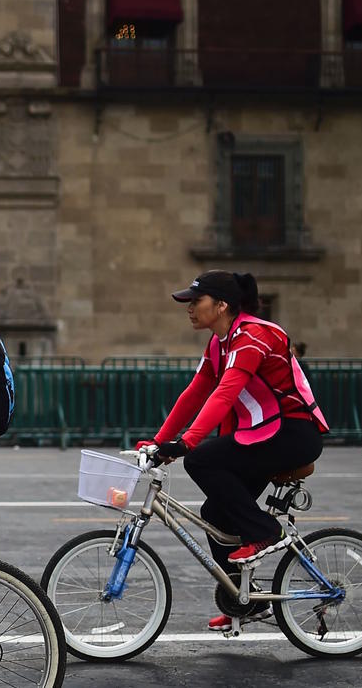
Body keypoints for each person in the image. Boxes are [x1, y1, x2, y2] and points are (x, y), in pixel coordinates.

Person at [135, 270, 328, 632]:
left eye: (196, 302)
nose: (189, 309)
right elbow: (195, 393)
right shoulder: (218, 343)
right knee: (215, 513)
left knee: (200, 460)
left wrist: (187, 443)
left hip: (293, 431)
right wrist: (159, 440)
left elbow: (224, 394)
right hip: (263, 433)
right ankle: (245, 599)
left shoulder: (253, 335)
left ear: (221, 305)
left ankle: (264, 531)